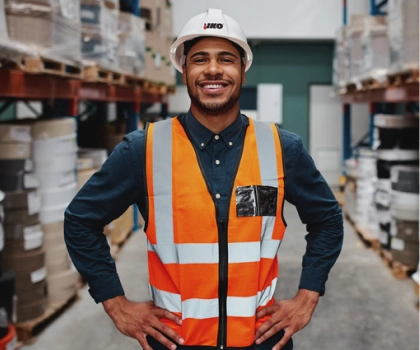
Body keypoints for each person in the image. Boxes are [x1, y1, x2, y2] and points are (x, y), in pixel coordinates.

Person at [64, 8, 343, 350]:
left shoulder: (282, 148)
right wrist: (114, 302)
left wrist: (308, 296)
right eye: (200, 59)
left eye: (226, 59)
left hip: (259, 341)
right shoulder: (144, 150)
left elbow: (327, 218)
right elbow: (80, 220)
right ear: (185, 70)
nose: (213, 69)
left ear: (242, 70)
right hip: (177, 341)